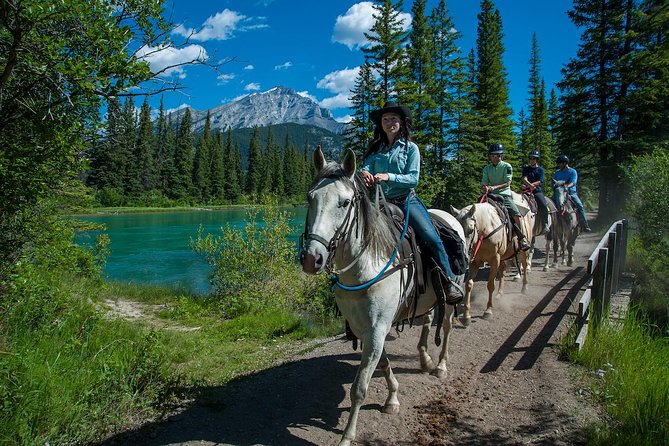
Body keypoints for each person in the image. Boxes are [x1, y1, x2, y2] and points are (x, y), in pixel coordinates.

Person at [360, 102, 464, 303]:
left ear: (401, 123)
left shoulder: (411, 148)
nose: (389, 122)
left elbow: (413, 178)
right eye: (385, 119)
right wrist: (364, 173)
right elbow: (366, 166)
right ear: (380, 124)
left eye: (393, 119)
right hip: (382, 203)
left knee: (431, 237)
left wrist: (389, 176)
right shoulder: (377, 149)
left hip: (407, 201)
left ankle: (449, 281)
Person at [481, 143, 531, 251]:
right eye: (493, 155)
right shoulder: (486, 169)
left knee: (516, 214)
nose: (496, 158)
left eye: (498, 155)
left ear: (501, 156)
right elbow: (484, 182)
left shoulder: (507, 166)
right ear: (490, 156)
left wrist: (493, 187)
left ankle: (523, 239)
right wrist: (485, 188)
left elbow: (507, 183)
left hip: (504, 195)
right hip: (490, 195)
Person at [552, 155, 591, 232]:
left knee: (580, 205)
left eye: (560, 163)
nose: (559, 165)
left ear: (565, 163)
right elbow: (553, 182)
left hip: (571, 193)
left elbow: (573, 182)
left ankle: (584, 224)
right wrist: (554, 186)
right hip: (559, 192)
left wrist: (567, 186)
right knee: (550, 205)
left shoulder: (573, 171)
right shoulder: (557, 173)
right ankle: (549, 225)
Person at [521, 149, 550, 233]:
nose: (531, 160)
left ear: (537, 160)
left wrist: (532, 185)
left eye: (533, 158)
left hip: (536, 191)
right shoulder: (526, 169)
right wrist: (529, 185)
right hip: (526, 191)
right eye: (530, 158)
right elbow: (524, 178)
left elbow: (540, 181)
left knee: (543, 205)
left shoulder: (540, 170)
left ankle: (545, 224)